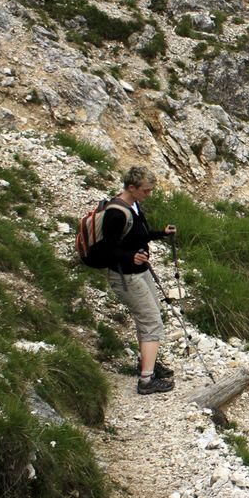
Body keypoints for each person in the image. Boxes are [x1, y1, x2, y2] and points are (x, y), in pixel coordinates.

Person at [104, 166, 177, 395]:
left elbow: (138, 235)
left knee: (152, 311)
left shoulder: (133, 206)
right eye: (146, 190)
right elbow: (106, 249)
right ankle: (146, 380)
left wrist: (161, 234)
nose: (149, 194)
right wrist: (130, 256)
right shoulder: (115, 212)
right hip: (125, 276)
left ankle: (147, 361)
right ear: (132, 187)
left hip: (139, 271)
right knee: (151, 320)